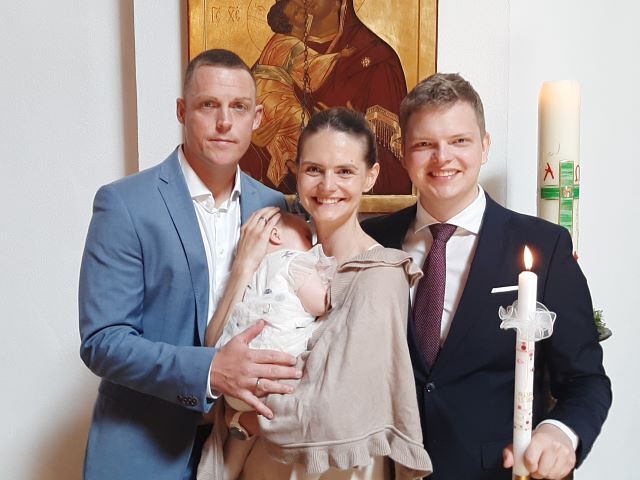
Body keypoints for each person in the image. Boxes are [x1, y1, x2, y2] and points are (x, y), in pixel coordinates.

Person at [362, 73, 612, 479]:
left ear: (485, 146)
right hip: (382, 469)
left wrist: (561, 432)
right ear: (403, 153)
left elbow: (586, 379)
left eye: (459, 141)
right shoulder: (371, 240)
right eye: (424, 144)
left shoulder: (544, 246)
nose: (442, 158)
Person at [78, 49, 303, 480]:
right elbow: (103, 341)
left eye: (239, 107)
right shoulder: (124, 204)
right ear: (182, 111)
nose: (224, 122)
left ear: (257, 118)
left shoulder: (275, 205)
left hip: (245, 448)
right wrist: (210, 371)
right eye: (208, 105)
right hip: (144, 450)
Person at [197, 108, 432, 480]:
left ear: (370, 176)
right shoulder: (277, 252)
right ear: (296, 172)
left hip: (334, 469)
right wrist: (244, 267)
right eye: (314, 170)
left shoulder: (380, 273)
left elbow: (336, 410)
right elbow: (216, 357)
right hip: (261, 469)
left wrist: (245, 419)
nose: (327, 185)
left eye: (345, 171)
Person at [242, 0, 411, 195]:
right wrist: (252, 140)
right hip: (280, 205)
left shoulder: (376, 59)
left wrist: (353, 131)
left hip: (346, 201)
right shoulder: (279, 50)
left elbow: (390, 157)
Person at [209, 212, 336, 412]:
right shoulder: (292, 261)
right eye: (306, 237)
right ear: (275, 235)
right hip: (278, 367)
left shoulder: (244, 275)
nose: (312, 245)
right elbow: (321, 303)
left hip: (233, 385)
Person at [252, 0, 355, 188]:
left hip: (267, 94)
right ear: (289, 22)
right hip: (274, 94)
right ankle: (300, 166)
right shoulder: (289, 43)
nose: (305, 7)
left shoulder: (278, 41)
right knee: (300, 124)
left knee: (293, 130)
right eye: (298, 10)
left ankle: (293, 163)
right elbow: (311, 67)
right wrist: (339, 56)